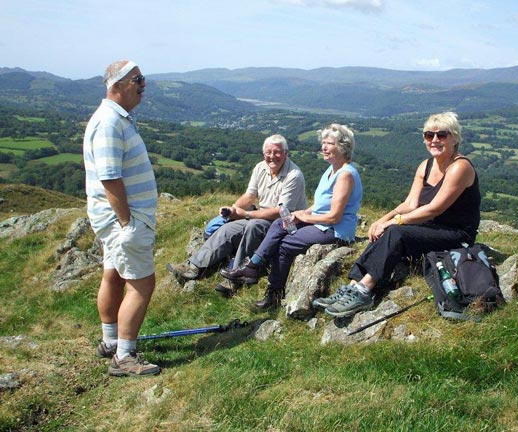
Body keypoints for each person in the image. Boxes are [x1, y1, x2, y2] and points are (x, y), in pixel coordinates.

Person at [315, 112, 481, 318]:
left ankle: (364, 290)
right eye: (429, 135)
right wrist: (383, 219)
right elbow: (410, 203)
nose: (435, 140)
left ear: (455, 138)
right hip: (431, 227)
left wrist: (395, 222)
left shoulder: (460, 167)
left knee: (396, 232)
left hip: (457, 235)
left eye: (442, 135)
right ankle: (351, 286)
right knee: (387, 230)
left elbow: (435, 208)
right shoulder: (426, 165)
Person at [221, 124, 363, 309]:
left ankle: (273, 294)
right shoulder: (331, 170)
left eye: (329, 143)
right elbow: (320, 206)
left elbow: (334, 217)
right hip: (321, 224)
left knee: (285, 244)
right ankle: (253, 266)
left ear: (343, 147)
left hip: (335, 231)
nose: (324, 147)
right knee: (281, 223)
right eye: (323, 143)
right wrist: (301, 214)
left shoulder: (345, 175)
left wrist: (303, 217)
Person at [83, 60, 160, 377]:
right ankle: (125, 356)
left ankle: (110, 340)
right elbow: (110, 178)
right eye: (137, 79)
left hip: (117, 220)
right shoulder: (109, 123)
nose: (143, 85)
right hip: (124, 221)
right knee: (142, 283)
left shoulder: (115, 119)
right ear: (116, 85)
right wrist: (128, 223)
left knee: (113, 274)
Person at [166, 134, 308, 296]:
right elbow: (249, 196)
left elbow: (280, 212)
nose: (272, 156)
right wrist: (233, 210)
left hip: (283, 223)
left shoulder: (294, 176)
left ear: (285, 153)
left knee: (254, 226)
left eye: (277, 152)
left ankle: (235, 277)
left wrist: (246, 214)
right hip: (260, 215)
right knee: (229, 229)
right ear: (263, 153)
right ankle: (193, 266)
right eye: (268, 152)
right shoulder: (260, 167)